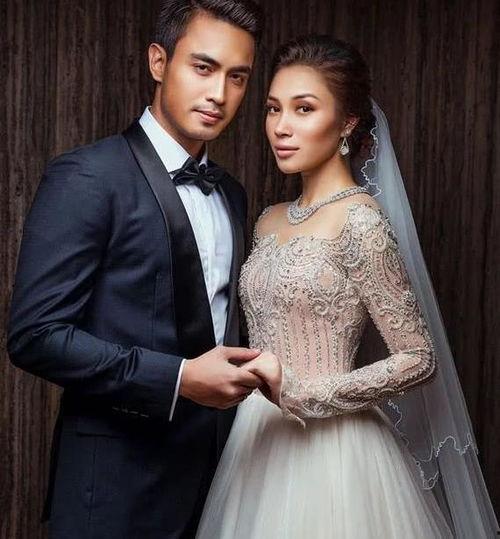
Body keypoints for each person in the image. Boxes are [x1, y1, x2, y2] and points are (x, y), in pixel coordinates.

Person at [196, 35, 500, 538]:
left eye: (304, 109)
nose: (281, 126)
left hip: (335, 452)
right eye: (273, 108)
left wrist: (306, 392)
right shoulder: (268, 219)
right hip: (256, 440)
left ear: (347, 123)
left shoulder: (360, 221)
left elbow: (418, 357)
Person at [7, 1, 264, 537]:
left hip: (217, 481)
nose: (219, 94)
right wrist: (179, 379)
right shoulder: (88, 176)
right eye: (203, 67)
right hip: (114, 488)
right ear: (158, 61)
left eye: (237, 77)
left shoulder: (232, 194)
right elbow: (35, 336)